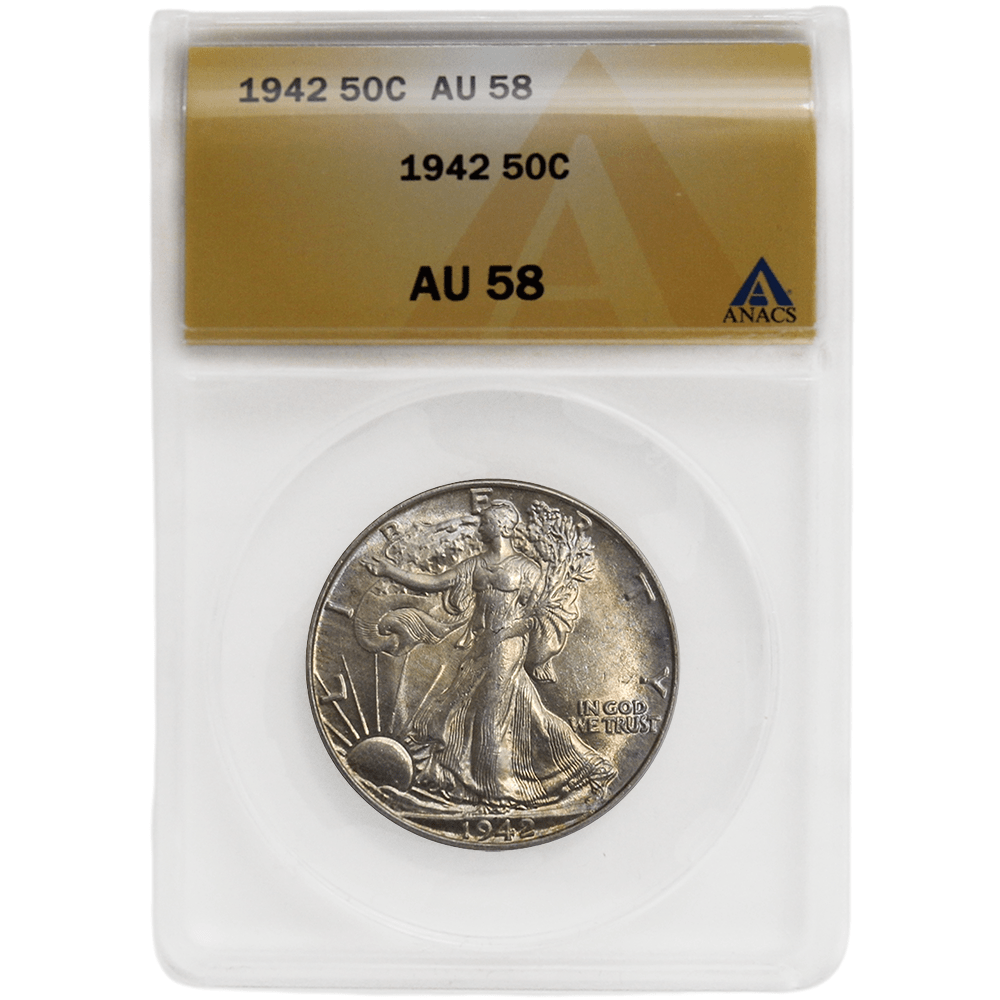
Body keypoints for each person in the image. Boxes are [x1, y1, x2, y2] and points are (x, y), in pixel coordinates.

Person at [363, 499, 615, 807]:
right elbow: (435, 582)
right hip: (481, 646)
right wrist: (390, 571)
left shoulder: (527, 569)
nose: (481, 526)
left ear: (503, 526)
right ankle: (575, 765)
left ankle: (499, 790)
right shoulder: (475, 565)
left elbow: (541, 614)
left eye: (487, 522)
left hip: (508, 647)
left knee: (490, 715)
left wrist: (512, 630)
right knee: (512, 711)